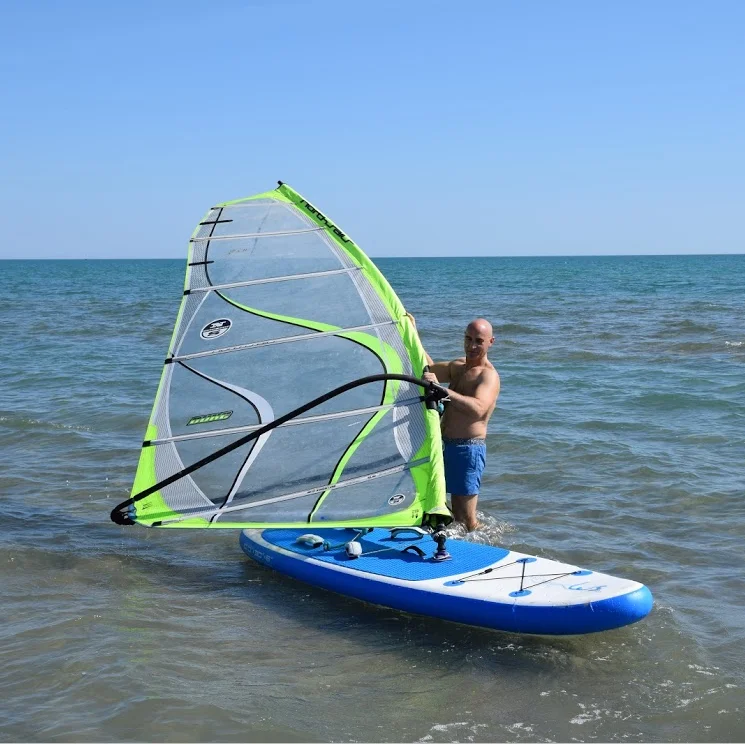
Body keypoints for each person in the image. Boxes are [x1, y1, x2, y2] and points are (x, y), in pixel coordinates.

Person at [408, 315, 500, 531]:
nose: (472, 346)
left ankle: (484, 543)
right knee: (437, 505)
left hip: (467, 449)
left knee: (465, 518)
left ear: (490, 342)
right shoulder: (458, 366)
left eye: (479, 341)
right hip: (443, 446)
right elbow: (428, 369)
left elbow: (478, 408)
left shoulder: (488, 376)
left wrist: (443, 391)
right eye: (468, 339)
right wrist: (412, 333)